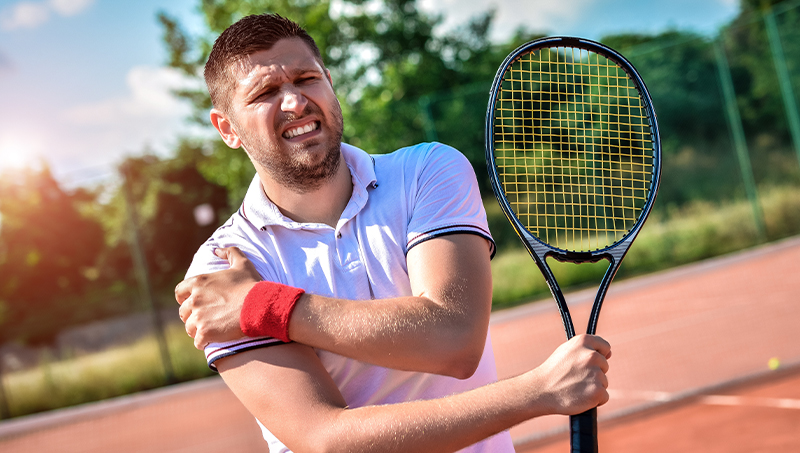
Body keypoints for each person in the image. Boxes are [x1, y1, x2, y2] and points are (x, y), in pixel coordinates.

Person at [175, 13, 611, 453]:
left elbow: (453, 341)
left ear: (329, 82)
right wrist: (537, 392)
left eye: (306, 79)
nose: (294, 102)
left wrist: (263, 306)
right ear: (227, 128)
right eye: (266, 93)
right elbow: (325, 438)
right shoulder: (221, 271)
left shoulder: (427, 171)